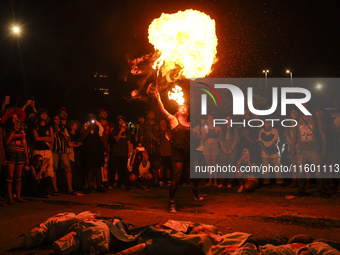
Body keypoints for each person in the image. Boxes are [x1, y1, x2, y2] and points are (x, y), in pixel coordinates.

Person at [154, 90, 202, 213]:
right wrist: (158, 98)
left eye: (184, 108)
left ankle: (195, 190)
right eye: (180, 107)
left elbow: (196, 138)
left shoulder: (190, 124)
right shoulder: (173, 120)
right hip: (178, 152)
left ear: (187, 112)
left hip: (190, 151)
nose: (182, 108)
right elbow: (163, 110)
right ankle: (171, 203)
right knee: (177, 176)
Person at [1, 108, 29, 204]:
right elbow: (6, 142)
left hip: (20, 154)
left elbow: (24, 144)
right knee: (10, 176)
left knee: (18, 176)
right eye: (13, 118)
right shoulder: (6, 130)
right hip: (11, 154)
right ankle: (10, 197)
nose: (15, 120)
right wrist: (13, 131)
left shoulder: (21, 130)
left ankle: (18, 196)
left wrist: (27, 157)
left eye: (16, 119)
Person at [81, 113, 107, 193]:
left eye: (93, 117)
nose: (91, 118)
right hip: (89, 150)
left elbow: (103, 137)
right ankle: (89, 186)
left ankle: (99, 185)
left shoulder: (99, 126)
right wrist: (89, 129)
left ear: (95, 117)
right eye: (90, 117)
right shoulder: (85, 126)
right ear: (88, 118)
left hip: (98, 149)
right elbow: (82, 137)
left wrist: (105, 147)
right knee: (89, 168)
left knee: (98, 168)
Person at [52, 115, 76, 195]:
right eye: (56, 119)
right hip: (54, 150)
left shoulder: (63, 128)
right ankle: (55, 189)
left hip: (63, 150)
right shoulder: (51, 127)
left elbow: (68, 140)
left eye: (58, 119)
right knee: (54, 170)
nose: (57, 120)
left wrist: (63, 134)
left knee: (68, 169)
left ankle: (70, 189)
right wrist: (56, 132)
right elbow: (51, 139)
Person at [108, 115, 132, 189]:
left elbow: (129, 142)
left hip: (124, 152)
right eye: (120, 120)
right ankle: (110, 184)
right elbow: (116, 140)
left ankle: (121, 184)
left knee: (122, 169)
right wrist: (121, 131)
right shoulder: (115, 130)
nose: (121, 122)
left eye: (122, 120)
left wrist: (129, 151)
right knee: (113, 169)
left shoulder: (127, 130)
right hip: (115, 153)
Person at [32, 109, 54, 184]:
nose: (44, 115)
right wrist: (45, 138)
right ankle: (36, 186)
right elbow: (36, 138)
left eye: (45, 114)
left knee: (49, 168)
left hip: (47, 150)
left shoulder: (49, 126)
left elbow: (52, 139)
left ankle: (46, 186)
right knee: (38, 168)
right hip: (38, 149)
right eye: (42, 114)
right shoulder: (36, 125)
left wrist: (42, 139)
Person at [258, 120, 283, 187]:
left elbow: (276, 140)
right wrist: (265, 149)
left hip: (274, 152)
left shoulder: (274, 130)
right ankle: (266, 183)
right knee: (265, 169)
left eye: (269, 122)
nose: (267, 124)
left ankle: (279, 182)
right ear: (264, 124)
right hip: (264, 153)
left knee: (277, 168)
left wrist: (269, 149)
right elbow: (260, 141)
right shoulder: (261, 131)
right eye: (266, 123)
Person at [139, 111, 161, 186]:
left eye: (153, 113)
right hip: (147, 149)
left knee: (155, 165)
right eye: (150, 113)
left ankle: (156, 182)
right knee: (146, 166)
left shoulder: (157, 126)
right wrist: (143, 148)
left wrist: (157, 141)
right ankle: (146, 182)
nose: (152, 115)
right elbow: (141, 137)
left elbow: (160, 137)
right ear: (147, 116)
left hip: (155, 149)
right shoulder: (144, 126)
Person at [218, 116, 239, 188]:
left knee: (231, 166)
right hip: (223, 150)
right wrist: (223, 148)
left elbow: (235, 140)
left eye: (229, 119)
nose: (228, 120)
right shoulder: (222, 129)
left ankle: (229, 182)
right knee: (223, 166)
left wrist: (231, 149)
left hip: (232, 149)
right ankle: (222, 182)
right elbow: (220, 139)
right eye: (226, 119)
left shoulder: (234, 129)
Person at [202, 115, 221, 187]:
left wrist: (218, 139)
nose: (209, 119)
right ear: (207, 120)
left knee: (214, 164)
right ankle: (210, 181)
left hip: (214, 145)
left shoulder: (217, 128)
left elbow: (222, 135)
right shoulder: (204, 128)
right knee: (208, 165)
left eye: (211, 118)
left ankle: (215, 181)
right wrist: (205, 134)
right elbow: (203, 139)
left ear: (213, 119)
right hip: (207, 145)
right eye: (208, 118)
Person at [159, 119, 172, 186]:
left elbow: (169, 138)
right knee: (161, 167)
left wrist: (165, 132)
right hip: (161, 152)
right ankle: (160, 180)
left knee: (168, 167)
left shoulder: (169, 131)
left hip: (168, 152)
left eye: (164, 123)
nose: (163, 124)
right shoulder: (158, 132)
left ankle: (168, 179)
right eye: (161, 122)